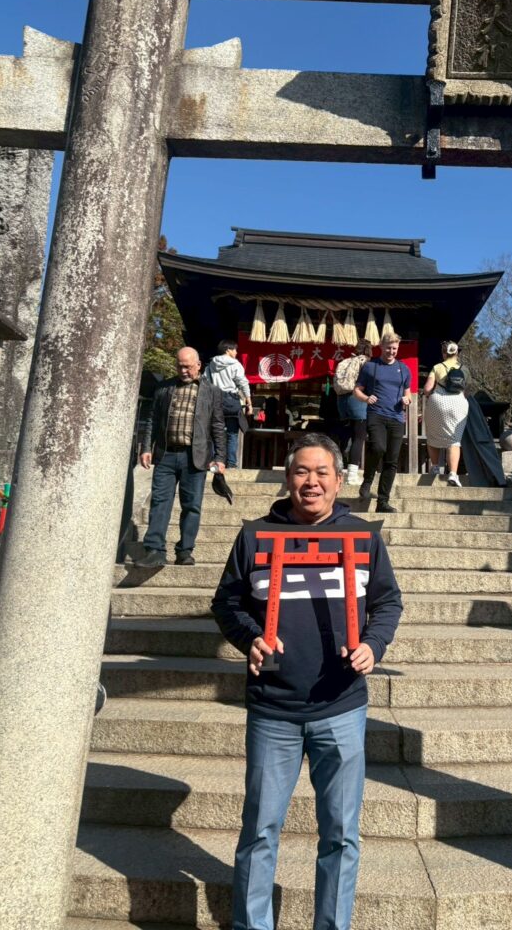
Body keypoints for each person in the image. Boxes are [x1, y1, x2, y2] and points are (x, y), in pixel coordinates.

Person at [211, 433, 402, 930]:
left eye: (322, 473)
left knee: (341, 833)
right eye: (301, 471)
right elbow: (226, 603)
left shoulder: (363, 537)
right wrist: (250, 638)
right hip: (273, 706)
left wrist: (373, 644)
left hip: (341, 703)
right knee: (259, 829)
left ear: (339, 480)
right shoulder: (254, 536)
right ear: (286, 478)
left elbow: (387, 602)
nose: (311, 482)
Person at [137, 347, 226, 567]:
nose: (183, 370)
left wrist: (220, 457)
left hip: (195, 457)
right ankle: (154, 550)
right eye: (179, 366)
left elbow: (217, 425)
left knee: (192, 505)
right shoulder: (164, 388)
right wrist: (146, 447)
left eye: (187, 366)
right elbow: (153, 419)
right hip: (166, 454)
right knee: (160, 502)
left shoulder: (212, 391)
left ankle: (185, 550)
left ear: (198, 365)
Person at [353, 332, 412, 513]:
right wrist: (366, 398)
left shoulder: (404, 369)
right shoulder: (370, 367)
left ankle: (383, 502)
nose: (391, 352)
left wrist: (407, 399)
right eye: (388, 348)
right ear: (381, 347)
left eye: (394, 349)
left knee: (391, 461)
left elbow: (408, 392)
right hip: (376, 414)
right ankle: (368, 479)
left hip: (396, 417)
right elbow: (357, 390)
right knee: (378, 447)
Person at [423, 340, 470, 487]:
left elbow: (427, 389)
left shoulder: (437, 367)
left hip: (438, 403)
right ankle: (453, 474)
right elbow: (467, 392)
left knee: (432, 436)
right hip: (458, 404)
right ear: (457, 353)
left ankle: (435, 467)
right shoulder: (465, 369)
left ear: (444, 353)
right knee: (454, 440)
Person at [206, 339, 254, 468]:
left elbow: (205, 382)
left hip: (214, 400)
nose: (236, 352)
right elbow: (243, 383)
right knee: (232, 433)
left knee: (215, 432)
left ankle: (215, 461)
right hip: (231, 401)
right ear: (228, 350)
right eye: (235, 350)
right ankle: (231, 463)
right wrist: (249, 402)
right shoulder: (235, 364)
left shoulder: (210, 365)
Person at [335, 337, 373, 485]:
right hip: (357, 400)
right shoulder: (366, 362)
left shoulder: (344, 362)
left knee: (344, 437)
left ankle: (337, 471)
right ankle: (351, 475)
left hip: (341, 401)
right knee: (358, 437)